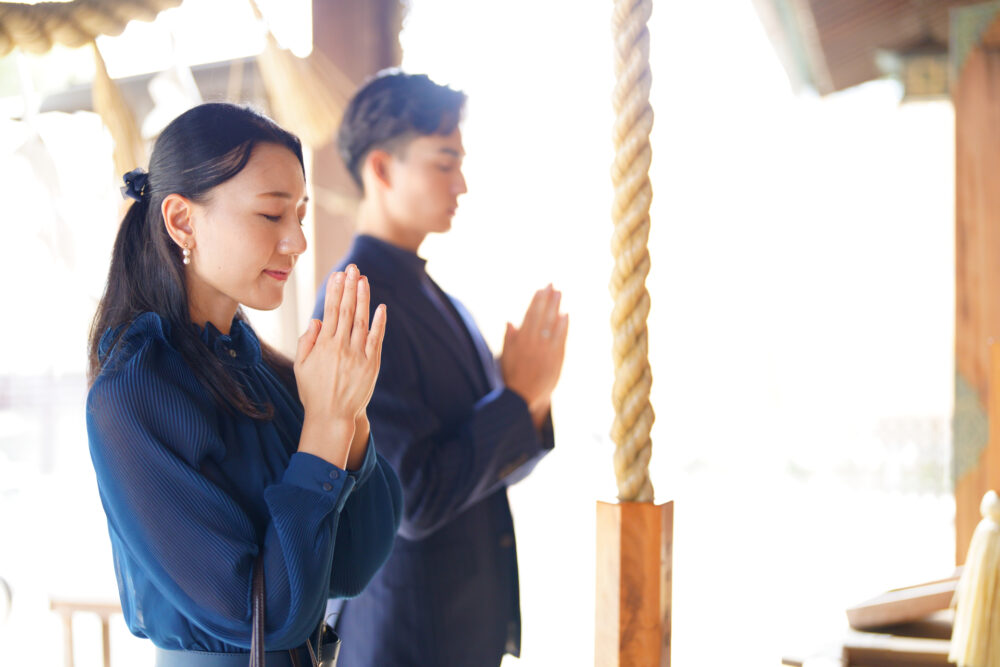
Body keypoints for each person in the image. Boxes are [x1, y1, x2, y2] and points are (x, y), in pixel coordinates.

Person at [86, 102, 402, 666]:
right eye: (271, 216)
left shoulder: (267, 369)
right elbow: (264, 615)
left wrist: (348, 415)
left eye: (300, 216)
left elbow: (353, 565)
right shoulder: (135, 391)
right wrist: (325, 423)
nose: (298, 242)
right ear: (182, 220)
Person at [312, 71, 569, 667]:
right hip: (405, 639)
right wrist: (518, 395)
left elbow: (485, 468)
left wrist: (529, 399)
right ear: (381, 169)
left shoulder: (440, 299)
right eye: (444, 161)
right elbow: (415, 499)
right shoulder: (359, 301)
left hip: (455, 630)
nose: (463, 183)